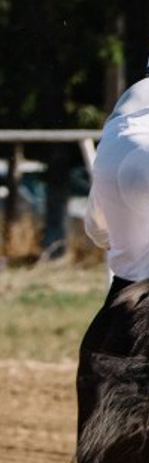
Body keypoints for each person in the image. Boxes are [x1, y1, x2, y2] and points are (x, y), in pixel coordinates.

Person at [84, 58, 149, 311]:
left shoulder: (133, 95)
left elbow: (96, 229)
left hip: (114, 143)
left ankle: (116, 331)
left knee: (130, 269)